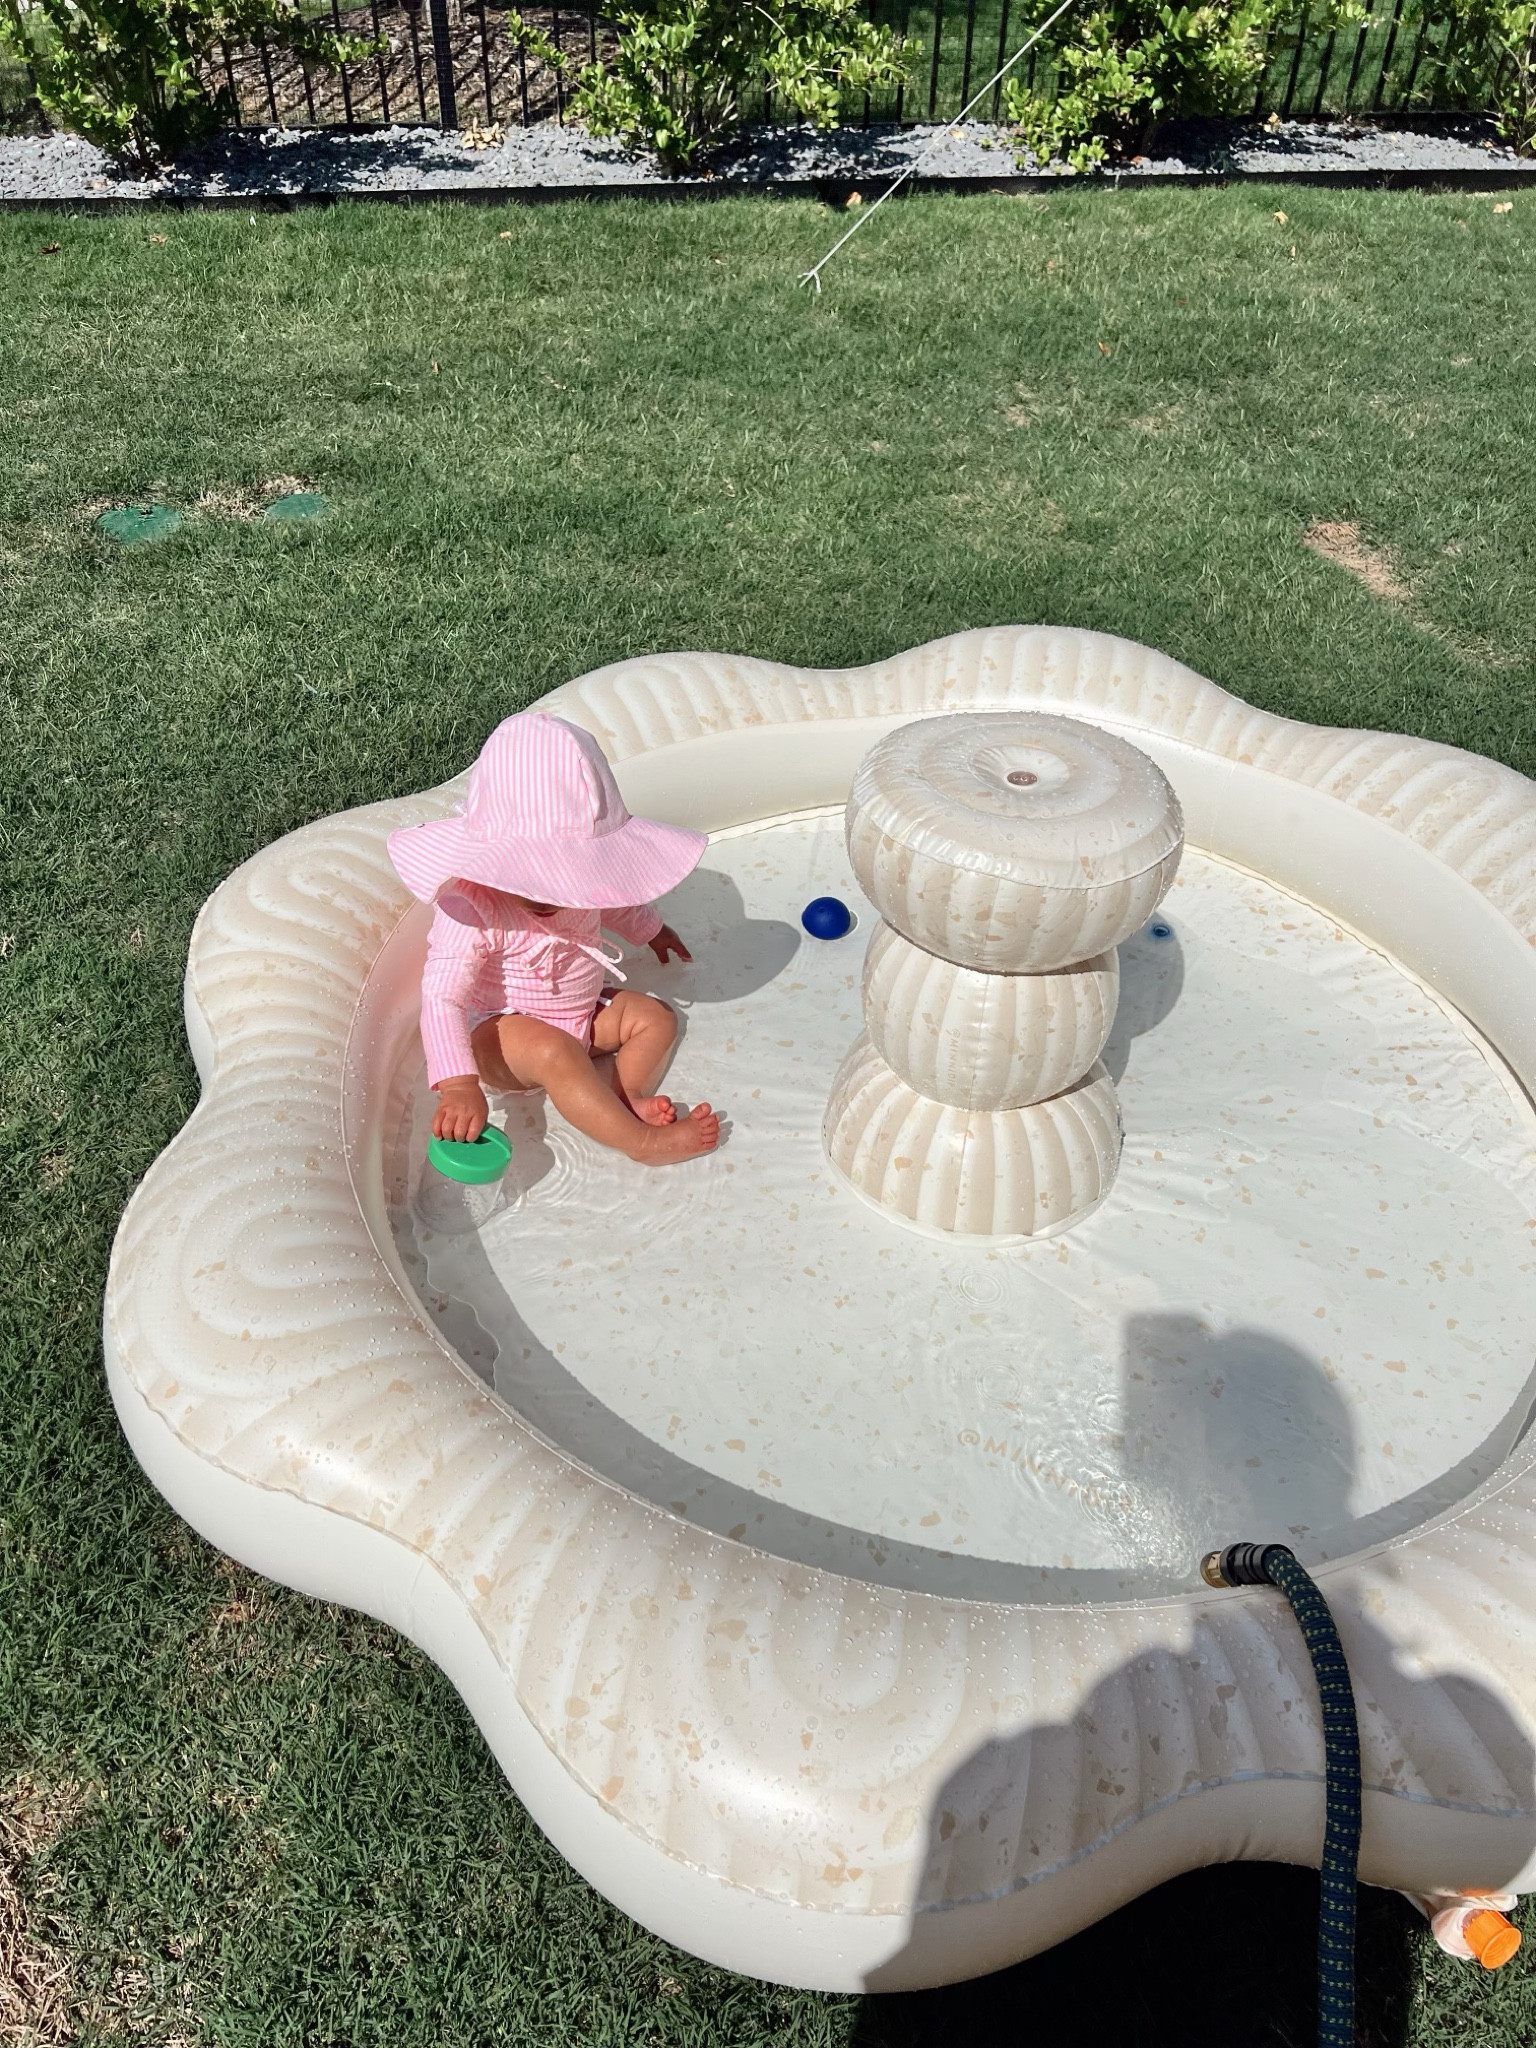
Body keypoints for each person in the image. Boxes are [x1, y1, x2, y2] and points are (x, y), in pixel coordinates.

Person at [388, 711, 720, 1164]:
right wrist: (459, 1085)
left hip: (579, 1015)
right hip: (503, 1036)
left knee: (655, 1017)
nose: (552, 895)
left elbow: (614, 901)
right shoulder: (473, 909)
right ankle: (642, 1144)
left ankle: (626, 1096)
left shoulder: (584, 891)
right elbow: (443, 998)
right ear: (490, 859)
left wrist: (652, 930)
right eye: (529, 877)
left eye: (566, 877)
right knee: (554, 1050)